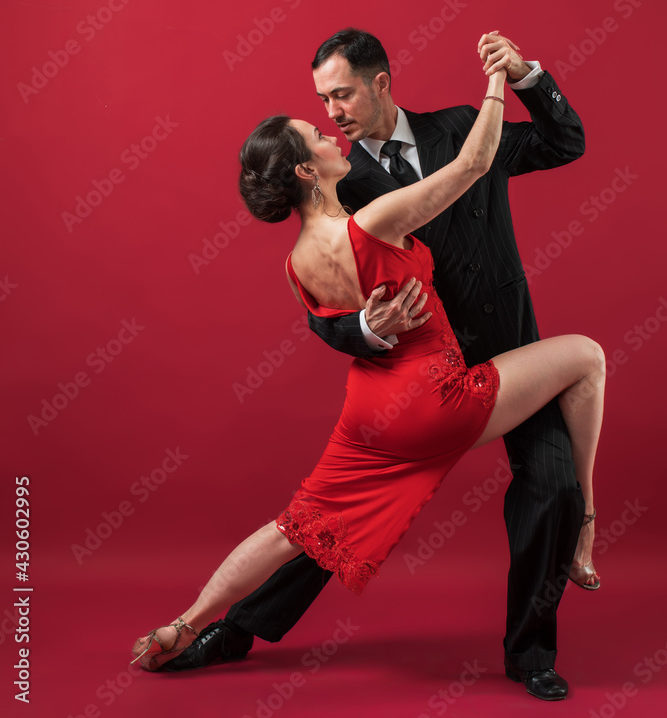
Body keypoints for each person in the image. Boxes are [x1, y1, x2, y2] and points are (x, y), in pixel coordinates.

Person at [131, 43, 605, 703]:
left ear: (378, 83)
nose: (331, 116)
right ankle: (235, 631)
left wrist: (522, 75)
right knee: (330, 533)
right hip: (421, 377)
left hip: (488, 350)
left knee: (323, 521)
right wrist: (366, 330)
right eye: (321, 107)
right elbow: (327, 317)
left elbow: (565, 142)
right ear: (305, 165)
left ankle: (530, 655)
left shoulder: (458, 125)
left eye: (340, 97)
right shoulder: (344, 184)